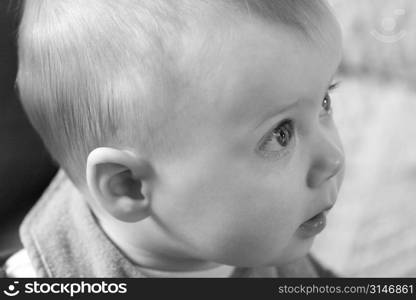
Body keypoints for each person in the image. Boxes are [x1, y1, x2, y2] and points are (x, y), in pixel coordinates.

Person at [5, 0, 345, 277]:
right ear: (129, 185)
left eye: (324, 101)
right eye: (280, 134)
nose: (332, 160)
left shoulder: (269, 236)